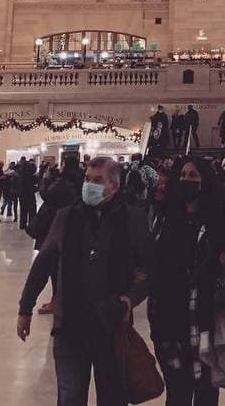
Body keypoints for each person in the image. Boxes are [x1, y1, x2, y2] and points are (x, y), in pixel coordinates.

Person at [17, 156, 155, 406]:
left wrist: (128, 299)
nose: (90, 185)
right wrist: (25, 308)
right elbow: (43, 263)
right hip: (70, 325)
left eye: (98, 180)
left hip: (112, 326)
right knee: (70, 397)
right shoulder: (66, 217)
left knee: (113, 397)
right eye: (87, 179)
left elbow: (147, 270)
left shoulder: (132, 220)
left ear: (114, 185)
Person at [149, 157, 225, 405]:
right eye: (183, 175)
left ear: (205, 182)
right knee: (177, 393)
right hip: (170, 319)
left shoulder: (220, 219)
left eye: (193, 176)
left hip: (205, 319)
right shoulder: (166, 217)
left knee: (207, 392)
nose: (186, 180)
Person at [18, 158, 39, 232]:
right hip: (29, 195)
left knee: (23, 209)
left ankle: (22, 224)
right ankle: (31, 224)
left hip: (22, 194)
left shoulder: (21, 175)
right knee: (32, 210)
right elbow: (34, 185)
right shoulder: (30, 176)